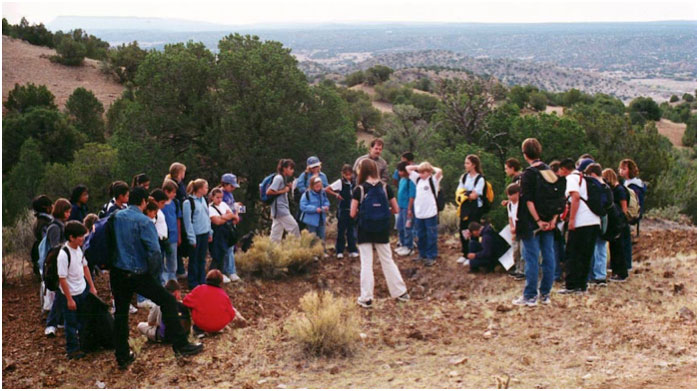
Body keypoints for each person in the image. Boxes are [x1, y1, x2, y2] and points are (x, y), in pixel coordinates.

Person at [111, 186, 202, 370]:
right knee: (167, 301)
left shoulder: (116, 217)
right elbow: (154, 252)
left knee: (121, 314)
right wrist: (153, 274)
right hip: (138, 273)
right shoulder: (145, 222)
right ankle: (180, 345)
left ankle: (122, 355)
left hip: (118, 272)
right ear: (144, 201)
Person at [350, 158, 409, 308]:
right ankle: (400, 292)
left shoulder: (359, 189)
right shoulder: (385, 187)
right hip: (382, 229)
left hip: (364, 229)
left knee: (366, 263)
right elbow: (395, 209)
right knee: (387, 260)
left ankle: (367, 297)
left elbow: (352, 213)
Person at [512, 138, 558, 307]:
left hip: (532, 223)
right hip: (549, 222)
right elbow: (558, 198)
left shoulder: (528, 174)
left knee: (531, 258)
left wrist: (538, 220)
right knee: (548, 256)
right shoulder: (549, 171)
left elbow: (529, 201)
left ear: (525, 154)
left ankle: (530, 295)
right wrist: (552, 219)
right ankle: (545, 294)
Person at [558, 158, 601, 295]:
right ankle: (582, 285)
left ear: (564, 169)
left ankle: (571, 285)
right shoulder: (585, 178)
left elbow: (575, 197)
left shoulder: (572, 178)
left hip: (581, 221)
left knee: (573, 253)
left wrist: (572, 220)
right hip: (594, 220)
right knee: (586, 254)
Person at [56, 221, 98, 359]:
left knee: (83, 319)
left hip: (82, 290)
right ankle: (72, 350)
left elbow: (85, 267)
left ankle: (84, 345)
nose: (83, 238)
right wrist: (69, 299)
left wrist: (91, 286)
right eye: (80, 236)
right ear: (71, 237)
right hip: (71, 294)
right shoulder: (63, 254)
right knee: (71, 323)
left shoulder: (79, 249)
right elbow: (62, 278)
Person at [44, 198, 72, 337]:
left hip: (64, 263)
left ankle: (58, 321)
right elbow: (55, 246)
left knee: (62, 294)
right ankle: (51, 324)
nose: (68, 214)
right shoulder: (55, 227)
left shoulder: (62, 224)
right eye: (66, 211)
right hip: (56, 264)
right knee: (60, 293)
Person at [406, 161, 443, 266]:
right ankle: (422, 255)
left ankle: (431, 256)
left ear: (429, 172)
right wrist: (419, 167)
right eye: (420, 172)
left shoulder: (433, 180)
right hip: (419, 213)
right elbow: (408, 168)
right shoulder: (418, 179)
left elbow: (439, 171)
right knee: (420, 235)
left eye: (423, 172)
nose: (421, 174)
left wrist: (430, 167)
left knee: (431, 235)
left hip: (430, 213)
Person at [183, 270, 239, 336]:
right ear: (221, 282)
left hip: (201, 324)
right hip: (218, 326)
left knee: (192, 305)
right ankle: (214, 328)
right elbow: (231, 314)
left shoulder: (199, 289)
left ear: (207, 279)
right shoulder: (224, 294)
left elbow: (185, 302)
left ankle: (198, 329)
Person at [455, 155, 485, 265]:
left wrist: (465, 193)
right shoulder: (464, 177)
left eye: (467, 163)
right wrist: (467, 193)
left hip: (475, 209)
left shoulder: (480, 179)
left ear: (474, 165)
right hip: (464, 208)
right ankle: (465, 253)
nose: (465, 165)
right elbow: (459, 191)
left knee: (473, 230)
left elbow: (475, 195)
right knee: (463, 229)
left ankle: (473, 254)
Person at [183, 179, 213, 290]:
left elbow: (206, 217)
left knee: (202, 259)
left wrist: (209, 231)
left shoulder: (203, 200)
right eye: (205, 187)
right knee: (194, 260)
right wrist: (191, 238)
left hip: (204, 233)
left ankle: (202, 280)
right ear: (199, 189)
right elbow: (188, 222)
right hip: (196, 235)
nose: (207, 189)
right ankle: (193, 283)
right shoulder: (188, 203)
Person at [583, 162, 609, 287]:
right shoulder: (606, 186)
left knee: (592, 247)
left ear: (592, 174)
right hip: (604, 218)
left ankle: (594, 274)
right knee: (602, 247)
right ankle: (601, 275)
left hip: (595, 218)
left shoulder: (595, 186)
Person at [326, 164, 359, 259]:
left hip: (352, 209)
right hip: (343, 209)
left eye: (350, 174)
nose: (348, 177)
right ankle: (339, 250)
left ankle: (352, 249)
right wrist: (336, 195)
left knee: (351, 230)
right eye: (346, 175)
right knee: (341, 230)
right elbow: (328, 189)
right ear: (343, 174)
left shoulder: (354, 183)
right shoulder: (340, 182)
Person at [602, 168, 630, 282]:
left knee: (619, 248)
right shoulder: (617, 189)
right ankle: (617, 271)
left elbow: (624, 208)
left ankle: (621, 272)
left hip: (619, 222)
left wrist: (621, 220)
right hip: (618, 221)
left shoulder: (619, 190)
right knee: (615, 247)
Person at [618, 158, 644, 270]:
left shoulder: (634, 186)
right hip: (628, 214)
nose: (621, 171)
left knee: (625, 240)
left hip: (629, 214)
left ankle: (626, 264)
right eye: (620, 168)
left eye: (624, 168)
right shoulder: (628, 184)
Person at [267, 159, 301, 243]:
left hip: (278, 210)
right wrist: (283, 191)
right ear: (284, 168)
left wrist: (287, 187)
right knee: (294, 227)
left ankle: (272, 252)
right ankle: (297, 248)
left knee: (276, 233)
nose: (292, 171)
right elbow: (269, 191)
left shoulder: (283, 178)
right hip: (280, 209)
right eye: (291, 168)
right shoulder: (279, 178)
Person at [208, 187, 235, 283]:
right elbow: (216, 222)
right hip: (216, 234)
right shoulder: (210, 208)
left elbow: (231, 215)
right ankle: (213, 274)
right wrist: (225, 217)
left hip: (224, 233)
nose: (219, 200)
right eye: (217, 198)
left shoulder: (223, 204)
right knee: (217, 254)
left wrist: (222, 217)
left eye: (221, 198)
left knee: (224, 252)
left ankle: (221, 273)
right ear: (212, 197)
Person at [166, 162, 188, 279]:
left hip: (180, 216)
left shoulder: (180, 184)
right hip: (176, 217)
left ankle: (179, 269)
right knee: (174, 249)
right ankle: (175, 273)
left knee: (177, 247)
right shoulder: (174, 185)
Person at [299, 175, 330, 254]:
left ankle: (323, 251)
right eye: (316, 186)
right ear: (312, 185)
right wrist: (315, 209)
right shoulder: (307, 194)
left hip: (321, 218)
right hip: (311, 220)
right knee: (312, 237)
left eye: (319, 186)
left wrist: (326, 206)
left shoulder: (322, 193)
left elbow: (326, 201)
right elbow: (303, 206)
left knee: (322, 236)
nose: (318, 187)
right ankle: (313, 253)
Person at [220, 173, 241, 282]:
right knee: (225, 249)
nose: (233, 188)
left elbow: (232, 207)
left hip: (231, 224)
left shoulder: (230, 195)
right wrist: (234, 215)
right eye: (231, 186)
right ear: (225, 184)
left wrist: (237, 210)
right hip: (224, 225)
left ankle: (231, 271)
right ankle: (225, 271)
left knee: (231, 249)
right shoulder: (220, 194)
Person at [393, 161, 416, 257]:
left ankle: (409, 246)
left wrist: (410, 208)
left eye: (401, 171)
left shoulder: (411, 181)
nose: (399, 173)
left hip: (407, 207)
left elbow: (412, 196)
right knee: (400, 226)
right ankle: (402, 244)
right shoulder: (402, 180)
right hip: (401, 206)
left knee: (408, 227)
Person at [161, 180, 180, 284]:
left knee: (172, 257)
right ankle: (164, 278)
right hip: (162, 236)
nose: (174, 194)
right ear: (166, 191)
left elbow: (178, 219)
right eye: (172, 192)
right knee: (161, 258)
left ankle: (172, 277)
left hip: (173, 235)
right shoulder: (160, 204)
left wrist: (179, 235)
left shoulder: (175, 203)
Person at [31, 195, 54, 277]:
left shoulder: (41, 221)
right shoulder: (44, 223)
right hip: (46, 255)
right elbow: (46, 242)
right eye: (51, 204)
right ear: (46, 207)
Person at [504, 182, 524, 278]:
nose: (509, 197)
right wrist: (512, 228)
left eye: (511, 194)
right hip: (515, 231)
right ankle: (517, 268)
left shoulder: (522, 203)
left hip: (522, 229)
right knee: (516, 251)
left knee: (523, 250)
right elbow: (510, 217)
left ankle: (523, 270)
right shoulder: (510, 205)